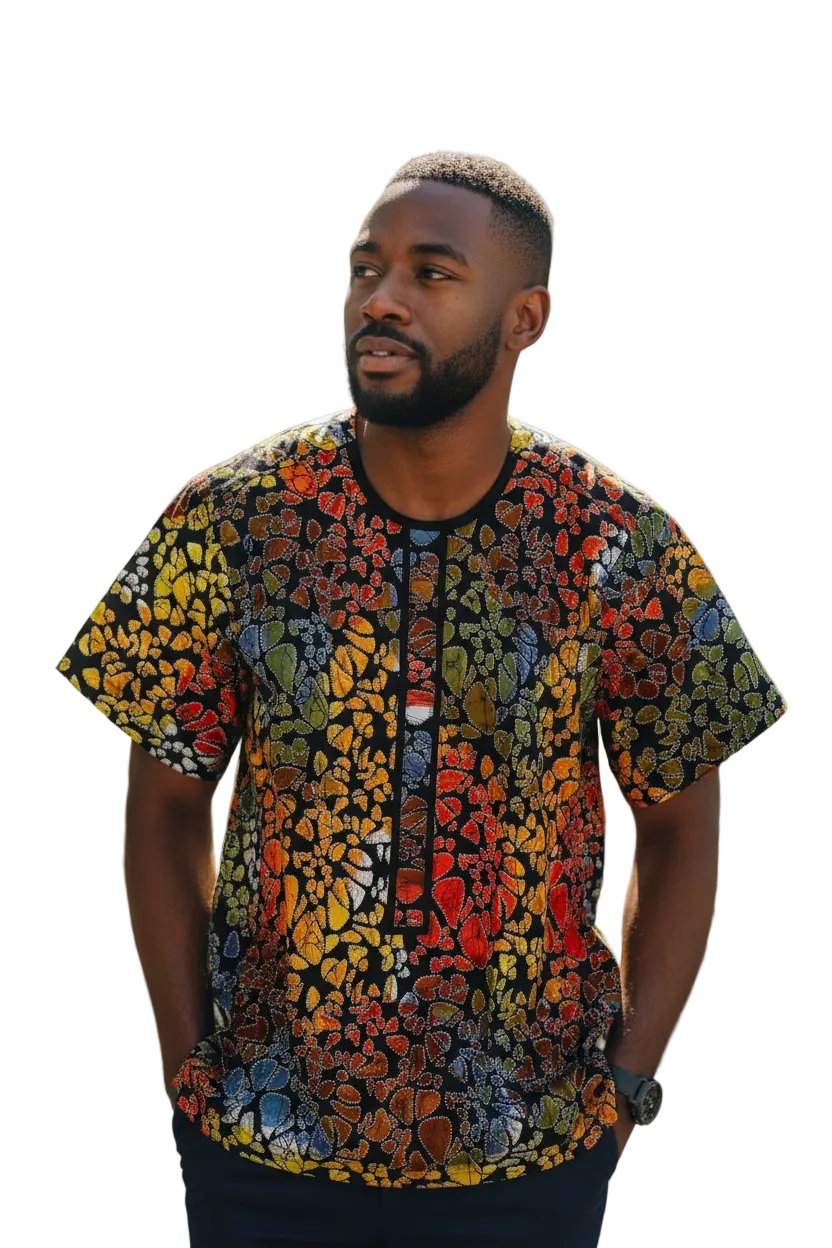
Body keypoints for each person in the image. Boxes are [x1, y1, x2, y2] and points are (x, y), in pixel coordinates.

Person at [56, 151, 787, 1248]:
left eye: (431, 274)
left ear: (525, 317)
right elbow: (163, 807)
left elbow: (681, 826)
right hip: (262, 1150)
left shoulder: (614, 545)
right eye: (366, 268)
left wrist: (626, 1089)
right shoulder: (234, 522)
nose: (381, 300)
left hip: (530, 1152)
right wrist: (189, 1072)